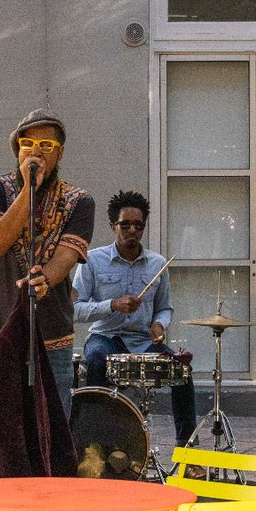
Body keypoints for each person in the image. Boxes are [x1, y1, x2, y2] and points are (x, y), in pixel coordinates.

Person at [0, 109, 95, 429]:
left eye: (46, 145)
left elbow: (67, 256)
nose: (35, 151)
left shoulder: (80, 200)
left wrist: (45, 279)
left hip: (51, 337)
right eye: (27, 143)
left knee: (50, 436)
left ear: (61, 152)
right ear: (17, 150)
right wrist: (29, 190)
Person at [73, 189, 196, 446]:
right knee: (96, 360)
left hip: (143, 341)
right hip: (105, 337)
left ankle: (187, 449)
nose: (132, 231)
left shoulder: (157, 263)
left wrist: (160, 325)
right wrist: (112, 305)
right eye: (125, 225)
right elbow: (74, 309)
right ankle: (97, 445)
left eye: (138, 226)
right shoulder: (92, 261)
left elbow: (164, 308)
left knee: (182, 370)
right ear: (112, 225)